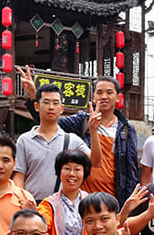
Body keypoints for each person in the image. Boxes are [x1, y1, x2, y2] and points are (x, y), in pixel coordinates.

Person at [21, 69, 138, 202]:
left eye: (109, 92)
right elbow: (49, 121)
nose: (104, 96)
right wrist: (33, 94)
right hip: (81, 198)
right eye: (99, 92)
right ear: (93, 97)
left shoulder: (126, 130)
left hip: (111, 198)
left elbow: (130, 170)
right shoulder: (81, 121)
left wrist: (127, 205)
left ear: (118, 97)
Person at [13, 82, 101, 202]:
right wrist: (21, 201)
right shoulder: (25, 140)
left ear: (61, 108)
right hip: (32, 204)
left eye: (55, 103)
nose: (51, 107)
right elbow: (19, 176)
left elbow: (96, 162)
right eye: (46, 102)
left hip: (61, 206)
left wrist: (93, 131)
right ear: (36, 106)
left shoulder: (72, 140)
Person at [37, 149, 91, 235]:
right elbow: (40, 226)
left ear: (84, 173)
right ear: (59, 172)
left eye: (77, 169)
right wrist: (32, 217)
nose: (72, 174)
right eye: (67, 168)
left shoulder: (91, 203)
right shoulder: (49, 204)